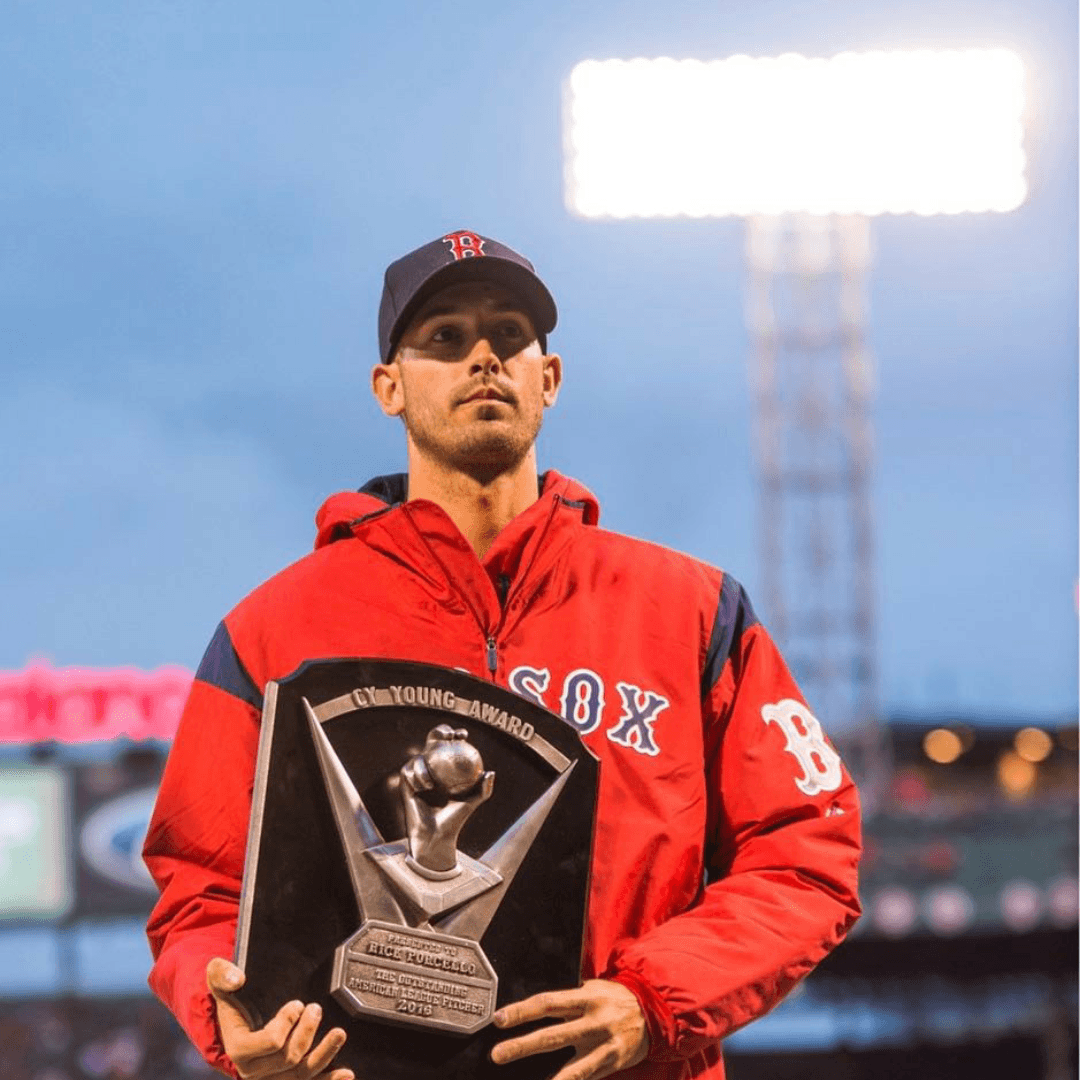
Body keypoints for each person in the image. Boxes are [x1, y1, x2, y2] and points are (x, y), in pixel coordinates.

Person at [144, 229, 862, 1080]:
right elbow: (199, 887)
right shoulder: (272, 630)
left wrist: (653, 998)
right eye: (444, 338)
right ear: (389, 387)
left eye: (510, 336)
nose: (483, 355)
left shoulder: (692, 611)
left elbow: (805, 852)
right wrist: (229, 1016)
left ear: (547, 380)